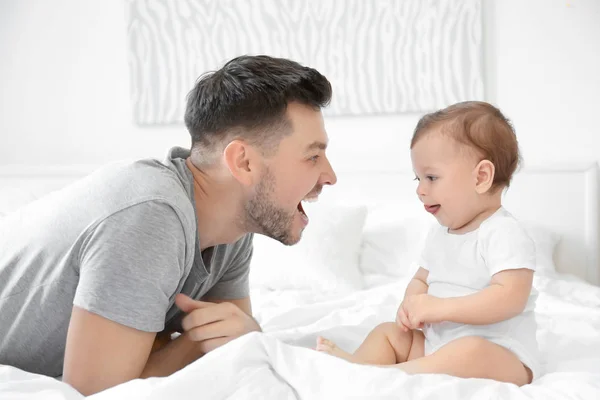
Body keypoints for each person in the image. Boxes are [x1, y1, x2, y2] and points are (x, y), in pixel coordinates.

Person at [0, 55, 337, 395]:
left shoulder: (233, 227)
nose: (330, 176)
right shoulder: (150, 215)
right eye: (312, 156)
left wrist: (188, 342)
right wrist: (191, 342)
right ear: (243, 162)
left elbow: (229, 340)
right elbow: (99, 391)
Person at [316, 101, 540, 386]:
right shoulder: (439, 234)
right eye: (418, 178)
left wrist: (439, 308)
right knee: (388, 333)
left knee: (470, 351)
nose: (420, 190)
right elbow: (422, 278)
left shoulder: (503, 232)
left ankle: (383, 376)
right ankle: (360, 367)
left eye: (431, 177)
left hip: (501, 354)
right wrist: (412, 303)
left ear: (481, 177)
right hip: (437, 344)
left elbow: (510, 297)